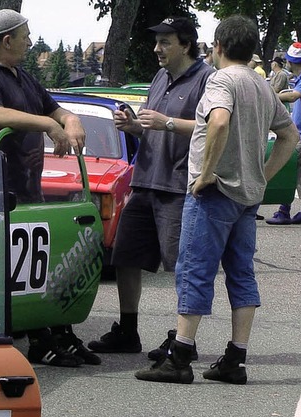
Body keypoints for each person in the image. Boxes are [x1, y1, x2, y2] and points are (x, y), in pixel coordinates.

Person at [134, 15, 299, 385]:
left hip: (216, 192)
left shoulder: (221, 80)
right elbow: (290, 135)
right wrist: (262, 175)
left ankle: (180, 356)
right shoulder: (261, 85)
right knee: (241, 274)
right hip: (246, 197)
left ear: (218, 46)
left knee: (193, 270)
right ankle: (235, 358)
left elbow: (219, 122)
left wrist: (207, 172)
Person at [0, 9, 100, 367]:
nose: (30, 42)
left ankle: (61, 334)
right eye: (26, 36)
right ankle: (39, 340)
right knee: (14, 273)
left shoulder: (23, 78)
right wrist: (45, 125)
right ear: (7, 40)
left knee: (44, 269)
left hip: (28, 191)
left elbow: (55, 109)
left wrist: (69, 120)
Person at [87, 17, 214, 358]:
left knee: (181, 266)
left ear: (185, 45)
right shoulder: (161, 77)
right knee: (125, 256)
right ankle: (128, 331)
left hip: (178, 186)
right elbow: (150, 128)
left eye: (165, 42)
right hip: (144, 181)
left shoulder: (207, 80)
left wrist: (167, 123)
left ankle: (182, 338)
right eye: (157, 42)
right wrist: (132, 126)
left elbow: (212, 129)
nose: (157, 49)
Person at [266, 42, 301, 226]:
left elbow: (293, 96)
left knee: (284, 169)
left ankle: (284, 210)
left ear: (291, 61)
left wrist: (268, 96)